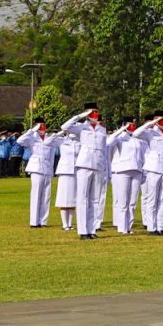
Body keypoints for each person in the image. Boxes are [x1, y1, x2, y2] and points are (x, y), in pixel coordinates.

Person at [60, 103, 108, 240]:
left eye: (96, 112)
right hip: (84, 164)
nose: (95, 115)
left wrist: (104, 167)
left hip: (98, 165)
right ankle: (83, 231)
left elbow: (103, 149)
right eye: (92, 112)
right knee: (82, 198)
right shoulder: (82, 127)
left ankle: (91, 229)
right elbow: (64, 127)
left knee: (94, 199)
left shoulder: (101, 129)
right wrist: (81, 116)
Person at [134, 110, 163, 236]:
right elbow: (135, 133)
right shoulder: (150, 133)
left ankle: (161, 226)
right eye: (160, 119)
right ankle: (151, 227)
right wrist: (152, 123)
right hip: (153, 168)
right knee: (152, 199)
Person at [17, 119, 59, 225]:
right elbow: (19, 141)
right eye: (40, 125)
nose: (42, 127)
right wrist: (32, 130)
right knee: (36, 194)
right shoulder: (32, 137)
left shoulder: (49, 138)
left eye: (44, 125)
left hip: (47, 168)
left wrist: (51, 170)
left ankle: (43, 221)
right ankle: (34, 222)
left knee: (46, 195)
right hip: (36, 167)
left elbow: (52, 154)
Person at [108, 116, 145, 234]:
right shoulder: (119, 137)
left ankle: (129, 227)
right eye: (129, 125)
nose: (132, 126)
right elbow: (108, 142)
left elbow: (142, 156)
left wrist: (144, 171)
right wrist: (121, 130)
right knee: (123, 201)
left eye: (133, 124)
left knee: (132, 201)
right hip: (122, 170)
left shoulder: (137, 139)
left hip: (137, 170)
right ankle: (122, 227)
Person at [52, 131, 78, 230]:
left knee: (73, 199)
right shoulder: (62, 141)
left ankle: (70, 224)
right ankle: (64, 224)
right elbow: (48, 142)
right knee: (64, 198)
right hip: (65, 171)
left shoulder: (79, 142)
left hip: (75, 172)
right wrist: (61, 132)